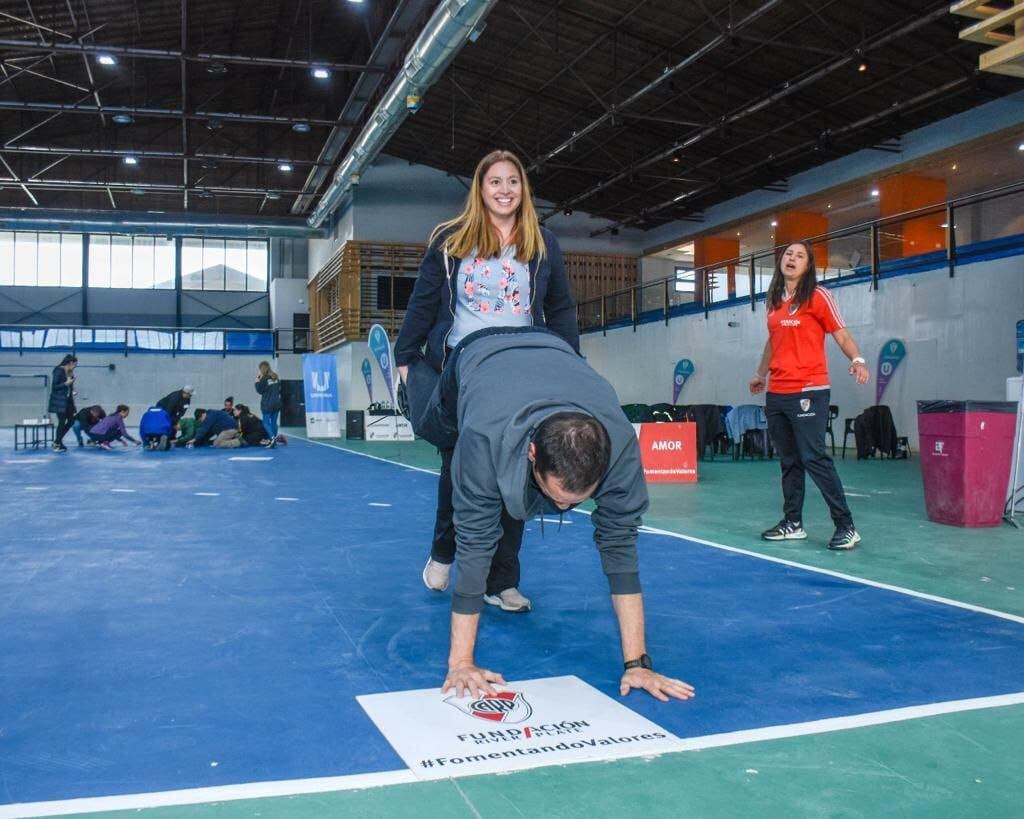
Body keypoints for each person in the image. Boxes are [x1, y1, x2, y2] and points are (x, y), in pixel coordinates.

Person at [411, 326, 695, 704]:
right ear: (532, 454)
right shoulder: (483, 436)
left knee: (492, 484)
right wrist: (461, 662)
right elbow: (477, 546)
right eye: (558, 496)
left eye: (577, 500)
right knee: (436, 434)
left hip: (554, 348)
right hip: (476, 355)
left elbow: (620, 549)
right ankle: (411, 373)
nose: (563, 508)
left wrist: (637, 663)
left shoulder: (621, 447)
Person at [395, 149, 579, 613]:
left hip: (520, 367)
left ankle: (503, 581)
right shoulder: (450, 239)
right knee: (459, 464)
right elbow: (424, 300)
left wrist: (569, 361)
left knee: (517, 470)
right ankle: (444, 549)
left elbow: (560, 307)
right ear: (480, 188)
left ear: (523, 189)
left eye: (512, 182)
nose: (504, 190)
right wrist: (404, 356)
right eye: (494, 182)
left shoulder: (543, 243)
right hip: (462, 366)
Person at [750, 241, 870, 551]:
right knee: (789, 461)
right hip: (777, 392)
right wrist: (761, 373)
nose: (792, 258)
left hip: (809, 390)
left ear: (808, 265)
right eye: (788, 254)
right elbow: (773, 342)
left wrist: (857, 360)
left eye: (799, 256)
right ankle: (793, 523)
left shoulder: (819, 296)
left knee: (814, 458)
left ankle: (847, 526)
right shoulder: (775, 299)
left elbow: (840, 332)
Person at [48, 354, 78, 452]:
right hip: (59, 401)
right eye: (74, 364)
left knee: (71, 421)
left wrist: (73, 391)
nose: (75, 367)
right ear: (69, 363)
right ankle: (57, 443)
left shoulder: (70, 372)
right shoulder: (58, 371)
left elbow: (70, 386)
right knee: (62, 421)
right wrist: (66, 384)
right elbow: (55, 386)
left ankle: (57, 441)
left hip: (68, 400)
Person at [254, 362, 281, 441]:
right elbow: (279, 389)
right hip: (276, 403)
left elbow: (260, 390)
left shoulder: (264, 378)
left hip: (267, 404)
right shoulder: (275, 377)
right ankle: (274, 438)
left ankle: (272, 438)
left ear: (262, 369)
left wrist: (257, 382)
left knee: (266, 423)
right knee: (274, 423)